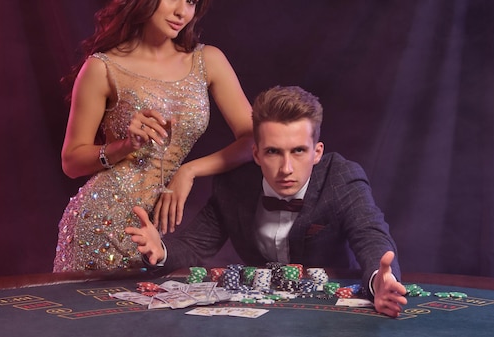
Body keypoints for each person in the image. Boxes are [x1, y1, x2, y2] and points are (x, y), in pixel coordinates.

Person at [53, 0, 253, 272]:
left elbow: (254, 140)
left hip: (154, 235)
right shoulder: (103, 68)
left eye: (191, 1)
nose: (182, 12)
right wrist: (124, 146)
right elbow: (71, 161)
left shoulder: (208, 61)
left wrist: (189, 171)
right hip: (99, 224)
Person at [126, 85, 408, 317]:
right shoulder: (235, 184)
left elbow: (371, 235)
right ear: (257, 154)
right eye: (273, 152)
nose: (286, 168)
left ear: (317, 152)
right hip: (261, 316)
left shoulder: (341, 178)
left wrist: (380, 280)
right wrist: (159, 249)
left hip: (326, 315)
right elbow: (193, 245)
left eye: (298, 151)